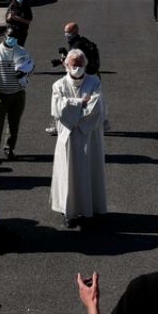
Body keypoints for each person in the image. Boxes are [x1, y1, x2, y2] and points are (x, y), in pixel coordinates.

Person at [51, 49, 107, 228]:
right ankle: (69, 212)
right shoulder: (58, 85)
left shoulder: (94, 81)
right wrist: (80, 103)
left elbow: (96, 106)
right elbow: (58, 109)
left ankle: (91, 209)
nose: (77, 68)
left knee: (89, 171)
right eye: (74, 65)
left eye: (80, 64)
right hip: (68, 136)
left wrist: (73, 111)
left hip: (88, 135)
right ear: (66, 65)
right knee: (68, 173)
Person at [0, 27, 34, 160]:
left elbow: (31, 66)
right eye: (10, 36)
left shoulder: (21, 51)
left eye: (15, 37)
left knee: (14, 123)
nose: (12, 39)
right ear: (5, 35)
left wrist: (25, 72)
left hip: (18, 93)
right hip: (0, 94)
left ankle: (9, 148)